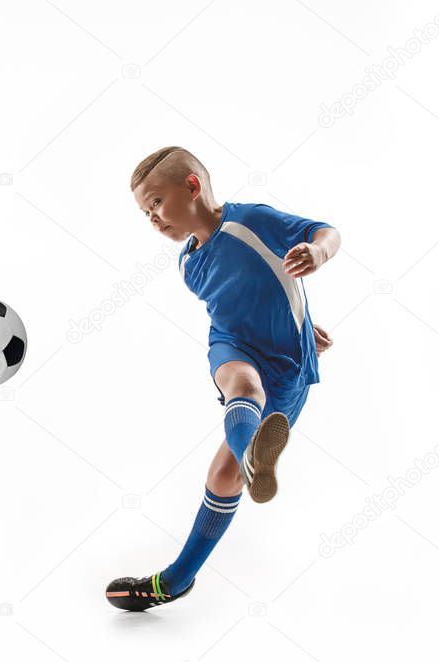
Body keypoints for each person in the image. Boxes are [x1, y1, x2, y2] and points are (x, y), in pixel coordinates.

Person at [106, 146, 340, 612]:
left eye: (155, 202)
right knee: (242, 385)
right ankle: (252, 453)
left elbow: (326, 233)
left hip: (288, 364)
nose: (151, 217)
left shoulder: (249, 220)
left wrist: (316, 254)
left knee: (222, 475)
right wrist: (293, 315)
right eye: (144, 211)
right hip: (231, 347)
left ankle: (176, 579)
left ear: (192, 186)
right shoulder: (187, 264)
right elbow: (239, 301)